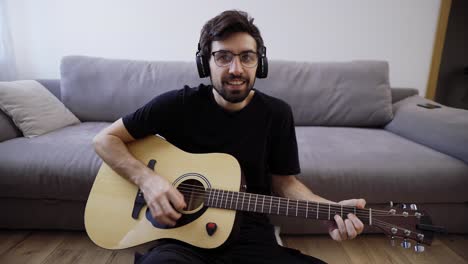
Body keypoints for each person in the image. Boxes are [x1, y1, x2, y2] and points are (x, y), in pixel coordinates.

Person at [93, 10, 366, 264]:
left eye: (247, 57)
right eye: (223, 57)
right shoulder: (177, 105)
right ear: (204, 63)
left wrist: (329, 209)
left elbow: (285, 184)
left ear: (260, 63)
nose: (236, 69)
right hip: (180, 239)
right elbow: (105, 140)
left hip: (249, 235)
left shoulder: (277, 113)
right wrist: (149, 181)